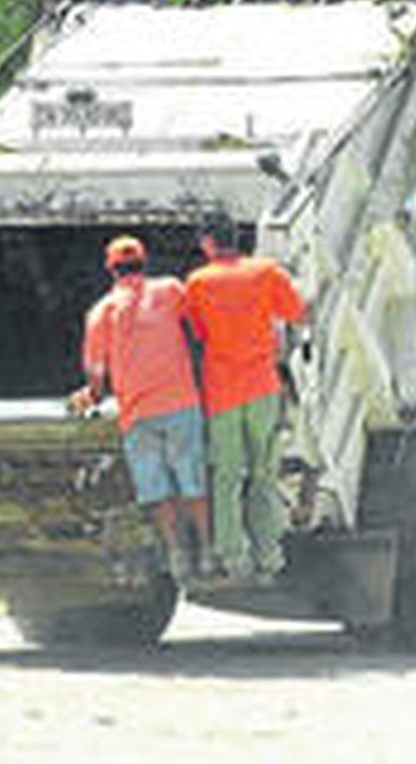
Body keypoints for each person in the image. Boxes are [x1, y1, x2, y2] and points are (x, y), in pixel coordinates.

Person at [71, 235, 215, 584]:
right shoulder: (169, 290)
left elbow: (95, 369)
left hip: (138, 412)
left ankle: (177, 553)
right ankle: (208, 551)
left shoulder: (102, 311)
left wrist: (93, 395)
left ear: (111, 270)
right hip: (181, 403)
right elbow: (199, 325)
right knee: (192, 482)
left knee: (156, 489)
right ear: (144, 263)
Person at [184, 212, 307, 580]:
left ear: (208, 243)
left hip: (223, 392)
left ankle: (233, 557)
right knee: (264, 473)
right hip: (262, 388)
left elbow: (198, 333)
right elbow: (297, 313)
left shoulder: (198, 282)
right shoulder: (267, 272)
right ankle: (269, 554)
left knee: (227, 476)